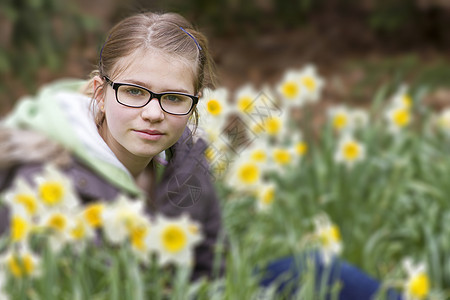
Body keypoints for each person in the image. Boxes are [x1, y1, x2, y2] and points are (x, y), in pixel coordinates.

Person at [0, 11, 403, 299]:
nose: (154, 113)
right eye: (135, 91)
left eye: (174, 98)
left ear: (194, 105)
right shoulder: (41, 182)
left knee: (319, 269)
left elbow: (213, 269)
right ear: (99, 93)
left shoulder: (187, 161)